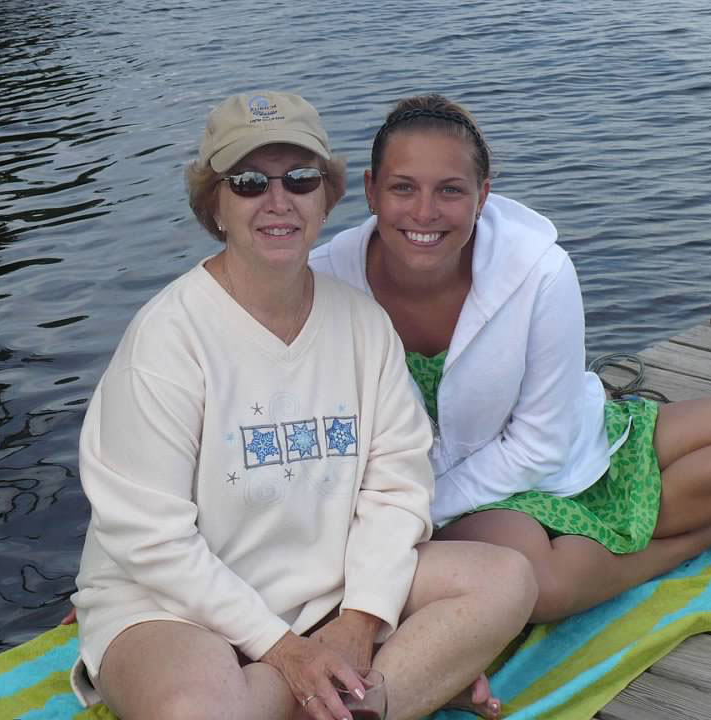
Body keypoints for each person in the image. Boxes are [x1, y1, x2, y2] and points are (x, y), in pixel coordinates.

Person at [68, 91, 537, 720]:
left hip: (327, 587)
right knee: (194, 712)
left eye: (300, 178)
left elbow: (398, 482)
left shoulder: (363, 325)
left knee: (507, 580)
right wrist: (283, 650)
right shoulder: (167, 339)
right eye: (250, 181)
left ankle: (347, 688)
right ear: (215, 204)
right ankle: (374, 694)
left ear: (328, 195)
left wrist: (362, 619)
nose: (278, 199)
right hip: (172, 605)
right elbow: (150, 540)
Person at [309, 93, 711, 623]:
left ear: (482, 195)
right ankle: (702, 533)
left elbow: (542, 441)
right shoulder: (324, 283)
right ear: (372, 192)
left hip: (559, 446)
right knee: (534, 587)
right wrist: (411, 513)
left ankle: (600, 536)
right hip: (451, 499)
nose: (425, 212)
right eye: (404, 187)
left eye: (450, 190)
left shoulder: (538, 271)